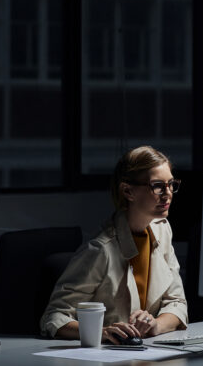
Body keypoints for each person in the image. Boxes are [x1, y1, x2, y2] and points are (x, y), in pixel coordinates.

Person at [40, 146, 188, 343]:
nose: (168, 193)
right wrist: (102, 332)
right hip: (108, 355)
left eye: (171, 184)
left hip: (148, 350)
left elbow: (177, 302)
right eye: (157, 186)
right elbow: (54, 317)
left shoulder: (162, 229)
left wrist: (156, 325)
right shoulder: (101, 250)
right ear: (128, 191)